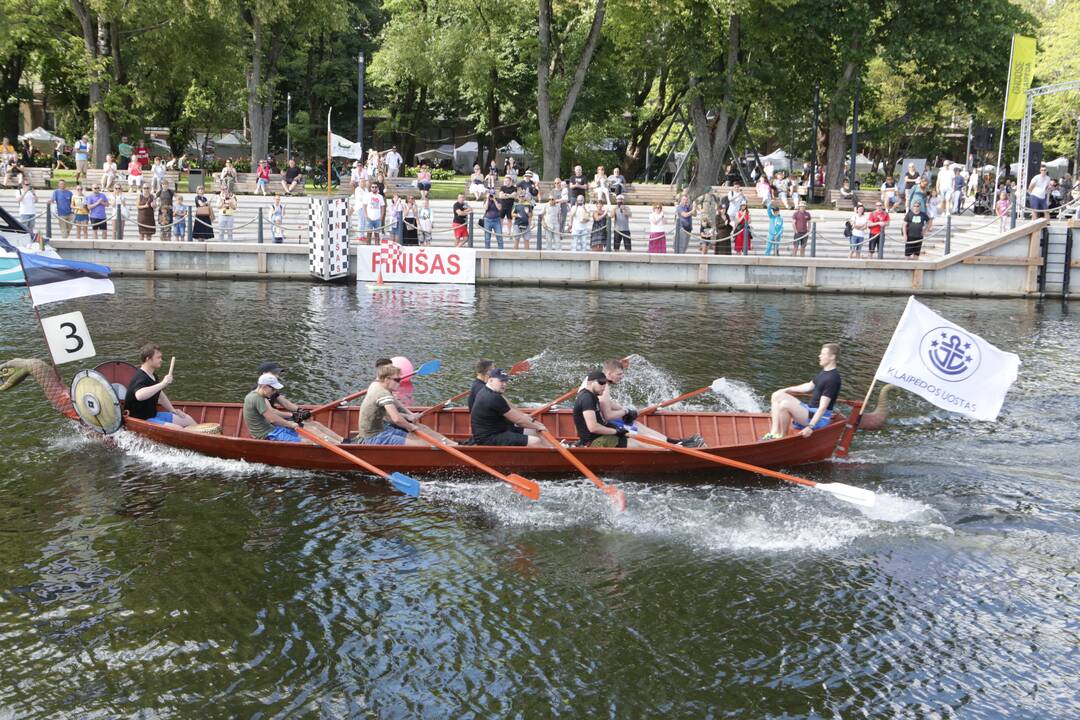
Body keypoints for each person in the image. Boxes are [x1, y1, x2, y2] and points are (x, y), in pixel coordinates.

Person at [595, 359, 703, 447]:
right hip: (603, 425)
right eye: (619, 374)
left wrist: (626, 411)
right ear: (609, 374)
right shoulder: (604, 387)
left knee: (636, 424)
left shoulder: (597, 379)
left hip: (603, 420)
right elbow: (607, 415)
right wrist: (625, 411)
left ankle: (674, 442)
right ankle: (674, 447)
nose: (621, 377)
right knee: (635, 429)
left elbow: (607, 402)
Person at [351, 362, 454, 446]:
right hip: (375, 437)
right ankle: (444, 448)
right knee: (422, 445)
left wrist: (410, 416)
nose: (399, 382)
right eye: (397, 380)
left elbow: (395, 407)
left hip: (383, 430)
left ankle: (453, 445)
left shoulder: (376, 384)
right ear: (386, 379)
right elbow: (396, 418)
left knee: (419, 433)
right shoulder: (382, 393)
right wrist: (411, 427)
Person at [762, 343, 841, 441]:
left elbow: (822, 408)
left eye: (823, 354)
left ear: (832, 357)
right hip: (809, 410)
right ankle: (774, 433)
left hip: (820, 418)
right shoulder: (824, 373)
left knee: (785, 405)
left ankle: (782, 437)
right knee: (777, 395)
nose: (819, 356)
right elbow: (808, 386)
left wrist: (810, 427)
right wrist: (786, 389)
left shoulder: (832, 379)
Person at [243, 373, 343, 444]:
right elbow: (272, 418)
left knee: (307, 433)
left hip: (273, 429)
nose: (273, 392)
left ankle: (338, 443)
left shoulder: (257, 396)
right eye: (272, 389)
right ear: (264, 386)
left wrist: (299, 413)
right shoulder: (256, 398)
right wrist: (290, 424)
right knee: (309, 441)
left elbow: (284, 405)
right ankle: (335, 446)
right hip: (267, 434)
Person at [469, 368, 552, 447]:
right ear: (490, 380)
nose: (504, 384)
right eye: (501, 381)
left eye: (506, 381)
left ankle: (553, 449)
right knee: (535, 441)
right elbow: (519, 421)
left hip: (498, 430)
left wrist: (529, 420)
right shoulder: (493, 397)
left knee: (532, 431)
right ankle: (549, 458)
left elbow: (513, 413)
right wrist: (538, 426)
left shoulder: (487, 391)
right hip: (489, 438)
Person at [573, 369, 652, 448]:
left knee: (635, 435)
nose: (604, 386)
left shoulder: (593, 396)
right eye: (601, 382)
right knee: (640, 444)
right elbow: (593, 428)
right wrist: (616, 431)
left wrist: (619, 425)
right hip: (594, 441)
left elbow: (607, 408)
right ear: (590, 382)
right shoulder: (587, 399)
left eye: (605, 383)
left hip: (602, 436)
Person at [125, 344, 197, 430]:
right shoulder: (140, 377)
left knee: (187, 419)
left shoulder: (153, 375)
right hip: (142, 419)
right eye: (158, 358)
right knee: (178, 429)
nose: (161, 360)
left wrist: (172, 410)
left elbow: (160, 395)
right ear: (148, 359)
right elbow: (139, 395)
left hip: (153, 415)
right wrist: (163, 383)